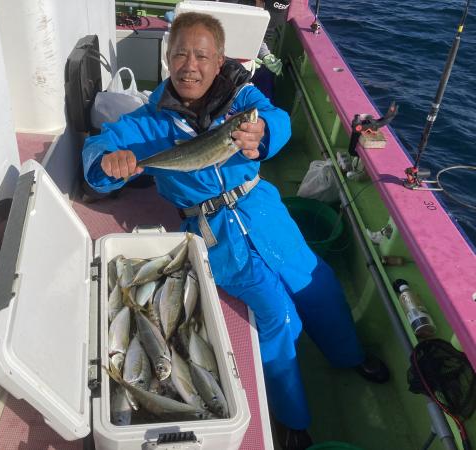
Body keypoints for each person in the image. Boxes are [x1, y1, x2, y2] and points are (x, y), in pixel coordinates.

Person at [82, 12, 389, 450]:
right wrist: (105, 163)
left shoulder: (241, 97)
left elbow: (276, 119)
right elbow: (98, 149)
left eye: (201, 56)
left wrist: (263, 133)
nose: (190, 66)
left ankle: (349, 356)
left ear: (219, 59)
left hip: (261, 209)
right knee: (277, 314)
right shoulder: (148, 123)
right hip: (212, 231)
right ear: (167, 58)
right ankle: (293, 419)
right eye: (180, 55)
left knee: (318, 283)